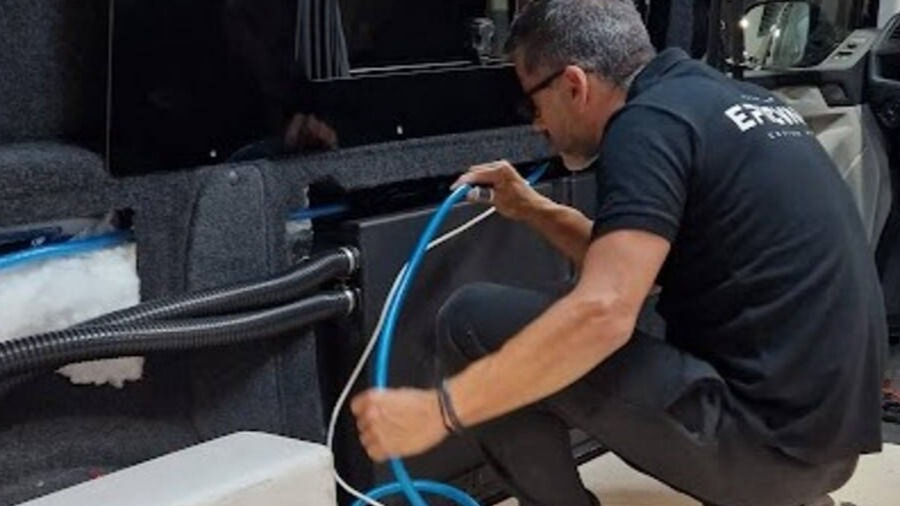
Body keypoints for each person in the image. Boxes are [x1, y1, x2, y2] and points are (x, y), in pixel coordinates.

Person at [350, 1, 885, 505]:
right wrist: (535, 209)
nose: (536, 123)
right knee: (562, 314)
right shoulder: (717, 100)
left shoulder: (645, 124)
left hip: (767, 450)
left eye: (532, 102)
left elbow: (604, 312)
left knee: (471, 320)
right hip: (829, 446)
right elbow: (640, 268)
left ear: (574, 84)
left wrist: (441, 410)